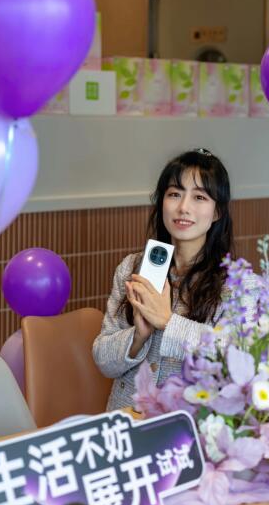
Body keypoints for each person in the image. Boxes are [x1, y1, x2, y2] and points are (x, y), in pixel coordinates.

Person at [93, 148, 236, 411]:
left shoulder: (237, 285)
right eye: (174, 194)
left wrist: (168, 322)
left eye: (199, 197)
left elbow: (236, 361)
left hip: (189, 426)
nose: (183, 207)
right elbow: (103, 360)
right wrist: (138, 336)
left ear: (217, 212)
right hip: (126, 421)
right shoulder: (131, 268)